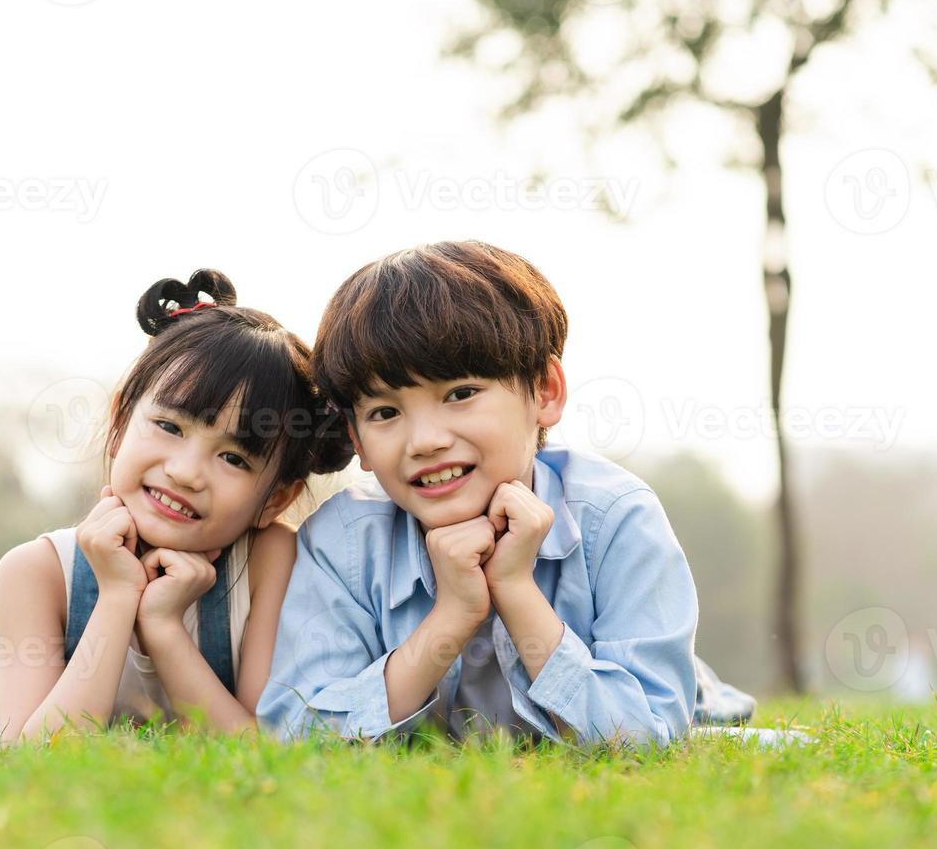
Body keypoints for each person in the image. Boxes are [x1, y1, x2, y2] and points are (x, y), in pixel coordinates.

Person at [258, 241, 758, 747]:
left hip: (691, 705)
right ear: (357, 439)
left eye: (460, 394)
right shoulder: (341, 542)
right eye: (385, 413)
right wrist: (453, 615)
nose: (425, 440)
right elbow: (298, 734)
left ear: (544, 391)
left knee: (727, 738)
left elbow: (646, 734)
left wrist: (516, 588)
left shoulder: (616, 517)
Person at [0, 270, 351, 743]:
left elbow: (255, 747)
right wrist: (118, 597)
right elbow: (29, 754)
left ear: (275, 499)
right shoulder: (36, 572)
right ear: (121, 420)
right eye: (170, 426)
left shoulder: (271, 560)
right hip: (26, 702)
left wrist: (164, 627)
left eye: (233, 458)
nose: (186, 472)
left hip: (35, 673)